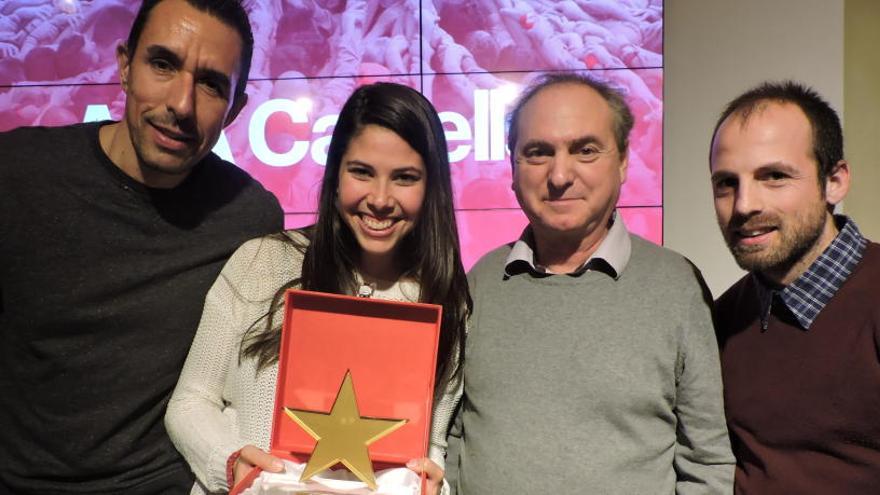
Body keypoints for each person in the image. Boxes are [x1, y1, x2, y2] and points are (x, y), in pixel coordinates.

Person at [0, 0, 283, 492]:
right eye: (163, 64)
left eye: (212, 84)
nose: (182, 103)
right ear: (126, 66)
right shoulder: (17, 175)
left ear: (236, 109)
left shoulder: (252, 218)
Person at [165, 82, 471, 495]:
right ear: (336, 172)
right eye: (361, 172)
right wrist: (233, 465)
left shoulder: (445, 302)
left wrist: (434, 486)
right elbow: (190, 402)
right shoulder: (263, 262)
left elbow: (429, 448)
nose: (380, 199)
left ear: (430, 187)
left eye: (405, 178)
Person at [446, 73, 734, 494]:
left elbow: (707, 461)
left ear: (621, 162)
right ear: (512, 169)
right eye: (538, 152)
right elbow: (455, 439)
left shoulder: (676, 286)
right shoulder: (481, 283)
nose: (560, 175)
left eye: (585, 150)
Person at [710, 81, 880, 493]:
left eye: (774, 176)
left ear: (834, 181)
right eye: (726, 183)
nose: (745, 204)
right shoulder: (722, 319)